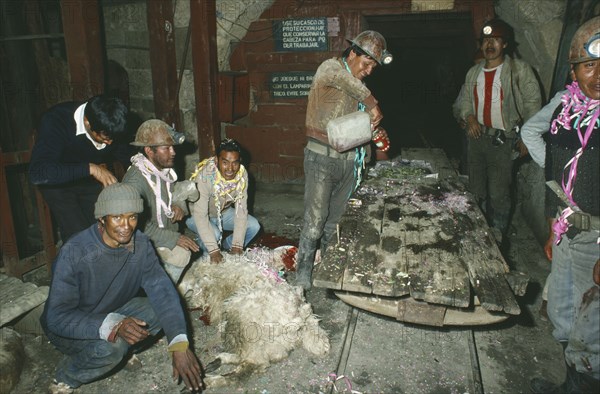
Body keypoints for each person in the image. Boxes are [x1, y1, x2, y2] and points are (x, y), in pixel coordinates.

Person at [41, 183, 202, 394]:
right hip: (70, 326)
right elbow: (57, 317)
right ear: (102, 218)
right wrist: (114, 325)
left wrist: (179, 343)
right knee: (113, 347)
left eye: (132, 217)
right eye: (117, 217)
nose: (126, 226)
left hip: (110, 308)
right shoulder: (75, 252)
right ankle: (66, 377)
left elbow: (162, 292)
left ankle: (122, 351)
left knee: (158, 311)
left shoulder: (141, 244)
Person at [522, 16, 599, 393]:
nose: (598, 75)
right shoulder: (568, 108)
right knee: (563, 314)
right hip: (571, 230)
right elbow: (535, 136)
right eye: (589, 65)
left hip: (599, 240)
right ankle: (572, 384)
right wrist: (557, 219)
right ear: (574, 70)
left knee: (592, 329)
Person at [295, 30, 392, 290]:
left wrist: (374, 133)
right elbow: (348, 82)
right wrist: (372, 103)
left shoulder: (359, 91)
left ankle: (326, 269)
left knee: (334, 223)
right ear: (352, 53)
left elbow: (355, 129)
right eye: (367, 63)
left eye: (374, 66)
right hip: (321, 160)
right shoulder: (330, 69)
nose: (370, 70)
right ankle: (302, 276)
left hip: (348, 162)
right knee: (315, 222)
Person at [456, 18, 541, 244]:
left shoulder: (519, 70)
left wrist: (526, 137)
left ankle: (498, 236)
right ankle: (479, 231)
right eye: (485, 40)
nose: (489, 44)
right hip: (477, 138)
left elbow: (533, 105)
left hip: (504, 140)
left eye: (495, 40)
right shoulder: (473, 72)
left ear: (505, 44)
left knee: (499, 192)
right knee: (476, 188)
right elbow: (464, 101)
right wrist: (470, 117)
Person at [29, 95, 130, 242]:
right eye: (104, 138)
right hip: (57, 183)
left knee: (104, 231)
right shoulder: (56, 120)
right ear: (87, 122)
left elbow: (124, 152)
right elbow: (38, 172)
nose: (109, 143)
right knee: (80, 236)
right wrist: (91, 168)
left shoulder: (107, 121)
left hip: (87, 181)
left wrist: (139, 167)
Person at [122, 119, 199, 282]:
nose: (173, 152)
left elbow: (174, 191)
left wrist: (178, 205)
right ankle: (154, 291)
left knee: (190, 277)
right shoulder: (135, 182)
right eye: (166, 148)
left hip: (164, 231)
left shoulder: (162, 167)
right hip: (142, 240)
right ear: (149, 150)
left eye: (173, 147)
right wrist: (173, 239)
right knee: (182, 255)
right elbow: (135, 226)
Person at [187, 139, 260, 264]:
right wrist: (214, 250)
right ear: (216, 160)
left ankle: (226, 246)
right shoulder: (205, 176)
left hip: (223, 213)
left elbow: (241, 211)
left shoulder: (242, 175)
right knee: (213, 236)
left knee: (254, 226)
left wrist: (237, 245)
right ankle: (205, 256)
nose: (230, 169)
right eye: (225, 162)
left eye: (235, 163)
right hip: (196, 215)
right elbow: (200, 216)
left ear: (240, 162)